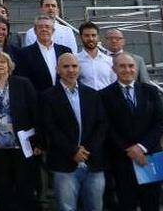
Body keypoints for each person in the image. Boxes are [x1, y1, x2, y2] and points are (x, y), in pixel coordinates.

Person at [100, 53, 163, 211]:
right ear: (114, 69)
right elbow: (107, 128)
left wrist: (141, 148)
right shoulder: (104, 95)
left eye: (131, 66)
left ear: (136, 68)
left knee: (151, 204)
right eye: (122, 66)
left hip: (149, 158)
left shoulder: (150, 91)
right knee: (126, 204)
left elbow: (160, 123)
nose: (127, 70)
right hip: (122, 160)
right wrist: (130, 149)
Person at [41, 53, 107, 211]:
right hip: (64, 162)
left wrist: (87, 150)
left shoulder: (93, 94)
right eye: (66, 66)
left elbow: (102, 124)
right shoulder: (47, 97)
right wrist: (72, 151)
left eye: (74, 66)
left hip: (93, 162)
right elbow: (49, 128)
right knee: (67, 207)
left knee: (95, 207)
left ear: (79, 68)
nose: (71, 70)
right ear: (57, 70)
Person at [0, 51, 41, 211]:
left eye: (2, 62)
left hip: (22, 147)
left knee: (25, 191)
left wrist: (39, 142)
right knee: (2, 193)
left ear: (9, 65)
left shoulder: (23, 84)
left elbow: (35, 112)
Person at [15, 15, 73, 93]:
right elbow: (24, 81)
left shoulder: (65, 51)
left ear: (53, 31)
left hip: (63, 99)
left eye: (47, 26)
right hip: (38, 101)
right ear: (35, 31)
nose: (44, 29)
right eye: (40, 27)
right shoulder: (23, 54)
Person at [77, 21, 116, 90]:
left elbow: (114, 83)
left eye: (93, 35)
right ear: (80, 37)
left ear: (98, 37)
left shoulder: (109, 60)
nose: (91, 39)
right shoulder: (76, 60)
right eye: (87, 35)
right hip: (86, 99)